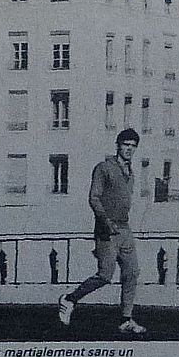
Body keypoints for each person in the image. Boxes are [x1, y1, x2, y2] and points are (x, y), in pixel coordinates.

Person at [58, 128, 146, 334]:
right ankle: (69, 299)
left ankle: (126, 319)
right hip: (107, 230)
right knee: (105, 275)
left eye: (133, 146)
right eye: (126, 145)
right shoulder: (104, 168)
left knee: (132, 273)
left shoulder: (130, 172)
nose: (129, 149)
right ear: (118, 145)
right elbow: (94, 197)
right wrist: (105, 221)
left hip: (125, 229)